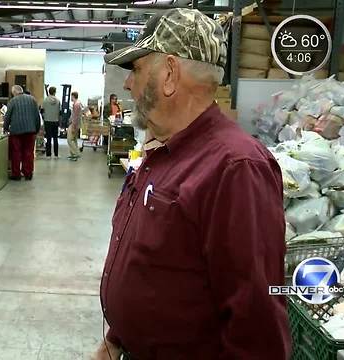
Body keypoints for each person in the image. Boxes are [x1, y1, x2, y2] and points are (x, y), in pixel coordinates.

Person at [93, 8, 290, 360]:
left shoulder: (235, 168)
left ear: (169, 74)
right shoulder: (163, 151)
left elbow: (256, 323)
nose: (127, 83)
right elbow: (155, 265)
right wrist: (117, 336)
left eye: (136, 69)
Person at [3, 85, 41, 181]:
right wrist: (36, 129)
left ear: (14, 93)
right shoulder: (32, 100)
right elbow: (37, 116)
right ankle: (28, 173)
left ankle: (16, 174)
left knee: (16, 153)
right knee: (28, 153)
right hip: (30, 131)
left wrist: (5, 128)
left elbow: (7, 116)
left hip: (16, 131)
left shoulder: (12, 101)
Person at [42, 86, 61, 158]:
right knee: (55, 138)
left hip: (47, 121)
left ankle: (48, 155)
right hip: (55, 121)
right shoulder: (58, 101)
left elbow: (42, 110)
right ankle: (56, 154)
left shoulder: (45, 100)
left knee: (48, 138)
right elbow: (60, 112)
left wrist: (45, 116)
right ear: (54, 92)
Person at [67, 91, 83, 161]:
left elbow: (75, 117)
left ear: (73, 96)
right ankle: (73, 154)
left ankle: (76, 153)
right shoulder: (78, 103)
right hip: (77, 124)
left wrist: (73, 126)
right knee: (74, 139)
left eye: (71, 96)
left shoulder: (76, 104)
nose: (70, 98)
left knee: (69, 139)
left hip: (74, 124)